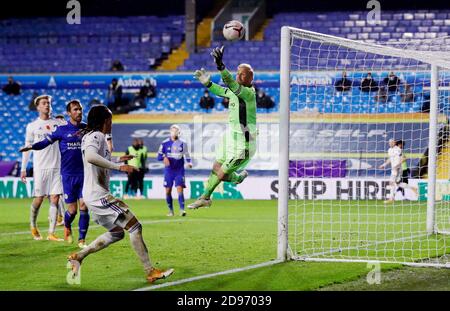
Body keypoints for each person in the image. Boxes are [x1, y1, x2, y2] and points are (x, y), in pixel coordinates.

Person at [67, 105, 174, 284]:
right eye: (110, 119)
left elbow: (97, 159)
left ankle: (79, 256)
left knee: (117, 233)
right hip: (98, 195)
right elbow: (91, 157)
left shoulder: (92, 136)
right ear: (105, 120)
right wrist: (119, 167)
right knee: (135, 227)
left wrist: (116, 159)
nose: (112, 122)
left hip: (92, 195)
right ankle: (150, 271)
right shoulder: (96, 135)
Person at [190, 45, 256, 209]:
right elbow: (222, 90)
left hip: (244, 144)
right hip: (231, 138)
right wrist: (207, 83)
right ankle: (237, 179)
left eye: (243, 74)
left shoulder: (248, 94)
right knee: (216, 168)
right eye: (238, 72)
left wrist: (220, 65)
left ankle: (205, 197)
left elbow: (230, 84)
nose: (239, 75)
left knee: (221, 173)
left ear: (250, 79)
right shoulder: (234, 92)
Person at [20, 100, 90, 248]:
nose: (79, 112)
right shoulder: (61, 129)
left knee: (84, 205)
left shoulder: (86, 129)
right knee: (72, 211)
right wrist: (31, 146)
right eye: (75, 110)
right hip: (67, 175)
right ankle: (67, 226)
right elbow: (45, 143)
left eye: (80, 109)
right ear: (69, 113)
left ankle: (82, 240)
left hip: (84, 174)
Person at [19, 95, 64, 241]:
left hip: (56, 167)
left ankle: (51, 233)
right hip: (40, 167)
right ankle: (33, 225)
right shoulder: (32, 126)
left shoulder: (59, 123)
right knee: (39, 199)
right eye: (44, 103)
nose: (47, 105)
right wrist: (23, 168)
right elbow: (27, 148)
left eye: (49, 103)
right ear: (38, 107)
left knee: (55, 198)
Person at [157, 125, 192, 216]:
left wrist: (189, 162)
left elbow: (187, 154)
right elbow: (159, 156)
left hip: (179, 170)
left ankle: (182, 210)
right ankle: (171, 211)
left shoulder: (183, 143)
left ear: (179, 132)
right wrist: (164, 157)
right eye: (173, 131)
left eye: (176, 131)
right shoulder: (164, 143)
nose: (174, 133)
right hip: (169, 171)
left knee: (180, 189)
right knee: (168, 191)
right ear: (170, 132)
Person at [379, 139, 402, 203]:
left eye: (392, 142)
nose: (390, 143)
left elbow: (401, 158)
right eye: (389, 142)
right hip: (393, 168)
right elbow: (390, 159)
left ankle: (391, 198)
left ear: (394, 143)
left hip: (397, 168)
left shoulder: (398, 149)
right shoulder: (389, 150)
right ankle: (413, 188)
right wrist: (384, 165)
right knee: (396, 183)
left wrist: (397, 166)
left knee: (391, 182)